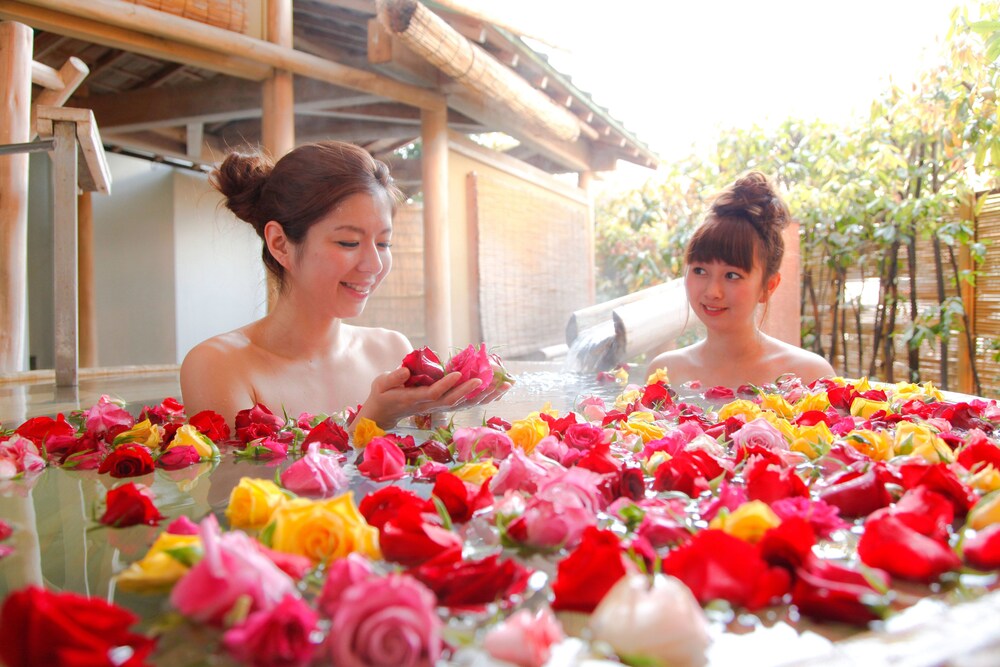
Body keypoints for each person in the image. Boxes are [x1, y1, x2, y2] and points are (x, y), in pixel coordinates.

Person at [181, 141, 504, 428]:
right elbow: (240, 480)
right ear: (280, 244)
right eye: (349, 242)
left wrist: (440, 412)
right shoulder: (218, 365)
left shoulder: (391, 350)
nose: (374, 265)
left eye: (383, 243)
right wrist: (374, 422)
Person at [646, 170, 835, 389]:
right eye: (699, 270)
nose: (712, 291)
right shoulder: (666, 374)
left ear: (768, 286)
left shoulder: (809, 376)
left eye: (732, 275)